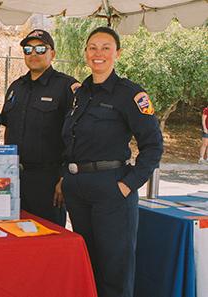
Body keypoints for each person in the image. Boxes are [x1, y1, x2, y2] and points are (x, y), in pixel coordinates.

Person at [60, 27, 163, 297]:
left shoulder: (130, 94)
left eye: (106, 47)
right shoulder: (80, 94)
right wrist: (65, 177)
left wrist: (128, 185)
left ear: (117, 53)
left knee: (114, 271)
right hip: (78, 190)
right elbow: (70, 141)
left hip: (112, 189)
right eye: (93, 47)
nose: (98, 53)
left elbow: (153, 145)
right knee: (89, 266)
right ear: (85, 54)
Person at [0, 29, 78, 226]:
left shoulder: (67, 87)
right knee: (14, 240)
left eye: (40, 48)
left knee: (48, 242)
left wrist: (64, 177)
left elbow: (77, 137)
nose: (33, 53)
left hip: (48, 182)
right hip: (13, 179)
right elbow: (7, 128)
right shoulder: (16, 87)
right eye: (28, 49)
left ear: (52, 53)